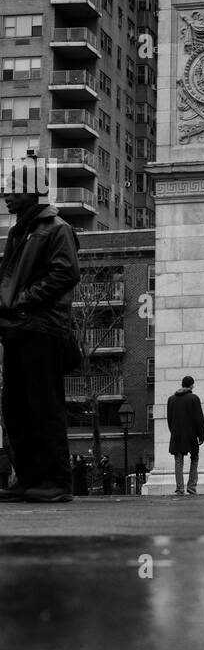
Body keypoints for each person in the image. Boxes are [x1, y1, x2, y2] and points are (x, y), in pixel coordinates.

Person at [0, 177, 80, 502]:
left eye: (14, 188)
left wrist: (22, 300)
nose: (6, 194)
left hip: (43, 328)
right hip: (17, 329)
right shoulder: (21, 231)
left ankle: (58, 481)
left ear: (33, 191)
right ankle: (29, 478)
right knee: (15, 407)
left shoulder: (56, 228)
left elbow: (66, 273)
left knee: (44, 405)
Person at [167, 375, 204, 495]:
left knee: (178, 461)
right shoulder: (194, 398)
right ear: (191, 385)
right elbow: (199, 418)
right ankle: (191, 486)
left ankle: (180, 488)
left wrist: (173, 432)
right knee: (194, 458)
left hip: (176, 435)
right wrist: (201, 434)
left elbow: (169, 420)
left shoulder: (171, 399)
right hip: (191, 434)